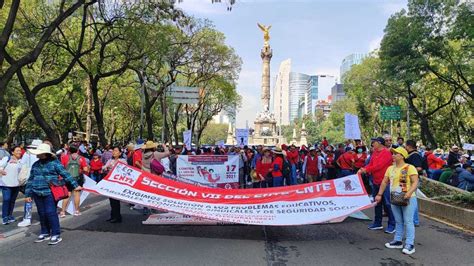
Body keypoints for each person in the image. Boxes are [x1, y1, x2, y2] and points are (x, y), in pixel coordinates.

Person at [25, 143, 82, 245]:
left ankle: (55, 233)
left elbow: (65, 174)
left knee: (50, 213)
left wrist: (75, 185)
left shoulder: (55, 163)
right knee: (42, 213)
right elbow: (30, 180)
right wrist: (28, 194)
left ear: (45, 154)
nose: (37, 155)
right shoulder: (36, 165)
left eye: (39, 153)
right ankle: (45, 232)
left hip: (50, 192)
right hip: (37, 192)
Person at [377, 147, 419, 255]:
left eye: (395, 153)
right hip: (395, 197)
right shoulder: (390, 168)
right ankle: (398, 240)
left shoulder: (410, 167)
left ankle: (410, 244)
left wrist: (409, 193)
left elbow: (415, 182)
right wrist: (379, 194)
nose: (393, 155)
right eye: (393, 153)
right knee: (398, 220)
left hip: (409, 198)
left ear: (402, 155)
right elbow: (384, 182)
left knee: (408, 221)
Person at [358, 137, 395, 234]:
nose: (372, 144)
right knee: (377, 202)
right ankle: (378, 222)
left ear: (379, 143)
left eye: (373, 142)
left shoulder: (386, 153)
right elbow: (370, 164)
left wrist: (366, 170)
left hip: (386, 182)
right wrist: (363, 169)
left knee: (387, 204)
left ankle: (392, 224)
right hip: (376, 181)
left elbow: (379, 166)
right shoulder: (375, 152)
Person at [17, 139, 42, 227]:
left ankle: (27, 218)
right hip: (42, 180)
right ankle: (44, 217)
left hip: (30, 179)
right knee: (42, 199)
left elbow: (21, 165)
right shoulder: (44, 155)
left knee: (29, 199)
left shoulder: (28, 153)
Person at [60, 145, 89, 217]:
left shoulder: (64, 157)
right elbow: (85, 169)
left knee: (67, 195)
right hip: (78, 179)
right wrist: (81, 170)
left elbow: (61, 169)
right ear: (78, 151)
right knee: (77, 194)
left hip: (67, 178)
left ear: (69, 150)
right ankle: (77, 211)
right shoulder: (81, 158)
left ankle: (62, 212)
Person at [102, 146, 127, 223]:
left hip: (118, 183)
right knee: (111, 200)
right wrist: (106, 167)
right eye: (113, 151)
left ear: (120, 153)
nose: (114, 152)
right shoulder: (110, 160)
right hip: (110, 182)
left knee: (116, 200)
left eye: (116, 151)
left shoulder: (123, 161)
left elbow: (125, 171)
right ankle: (113, 215)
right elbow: (103, 168)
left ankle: (117, 216)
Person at [0, 146, 23, 224]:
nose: (19, 152)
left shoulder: (21, 161)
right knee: (6, 200)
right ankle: (5, 217)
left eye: (20, 151)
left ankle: (10, 215)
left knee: (12, 201)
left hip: (16, 184)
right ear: (12, 152)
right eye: (17, 150)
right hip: (6, 184)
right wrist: (1, 170)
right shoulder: (7, 159)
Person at [404, 140, 422, 226]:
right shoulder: (412, 154)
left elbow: (418, 168)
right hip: (409, 180)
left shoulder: (415, 155)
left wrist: (406, 170)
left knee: (412, 200)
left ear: (408, 146)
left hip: (412, 180)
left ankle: (415, 220)